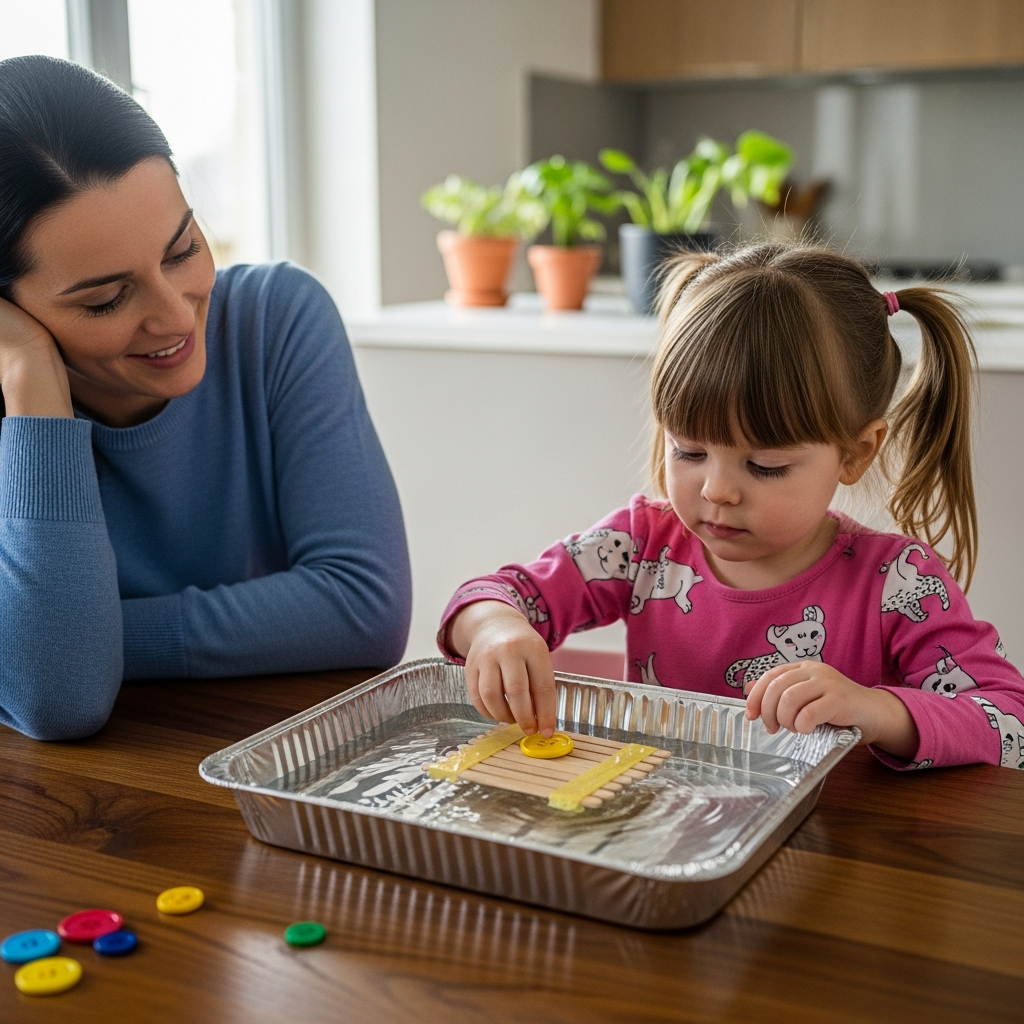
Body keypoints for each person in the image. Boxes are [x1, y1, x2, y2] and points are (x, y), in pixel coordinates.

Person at [439, 242, 1024, 771]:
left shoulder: (899, 584)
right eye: (688, 450)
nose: (717, 489)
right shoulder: (642, 545)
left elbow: (1009, 723)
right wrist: (495, 626)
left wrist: (876, 710)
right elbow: (495, 595)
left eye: (764, 465)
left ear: (856, 452)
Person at [0, 56, 411, 741]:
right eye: (106, 299)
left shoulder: (275, 319)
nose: (176, 315)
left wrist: (77, 638)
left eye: (183, 248)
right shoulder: (19, 390)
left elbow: (363, 605)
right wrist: (30, 379)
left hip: (271, 760)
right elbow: (61, 696)